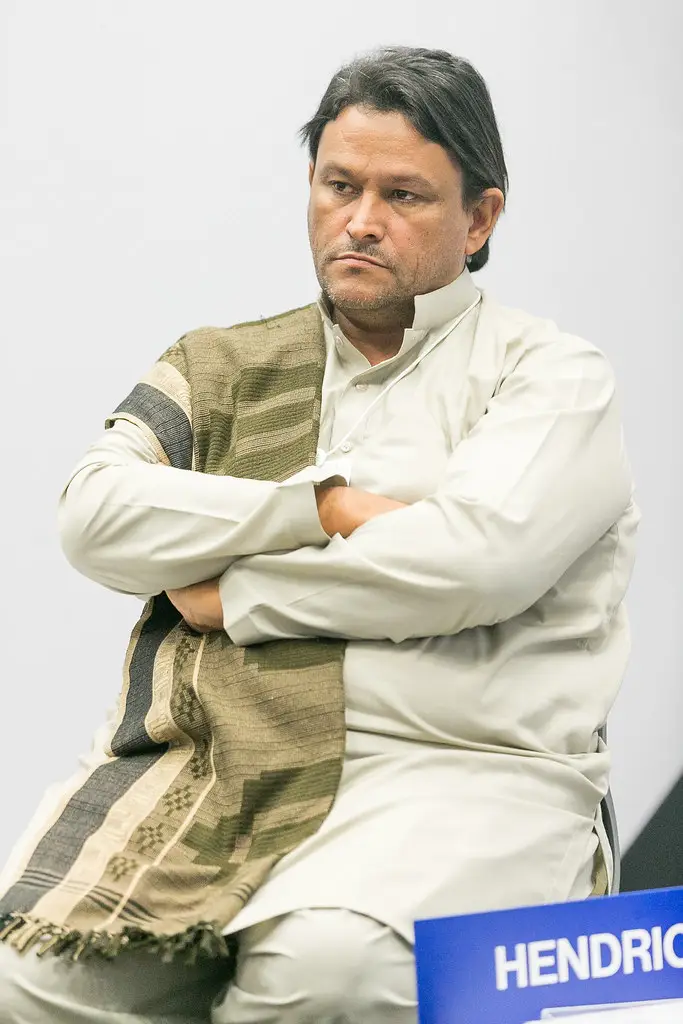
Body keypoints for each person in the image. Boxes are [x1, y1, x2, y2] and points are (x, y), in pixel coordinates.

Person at [0, 44, 638, 1024]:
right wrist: (321, 507)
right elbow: (95, 516)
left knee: (328, 977)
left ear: (479, 218)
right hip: (221, 763)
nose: (360, 220)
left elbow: (472, 561)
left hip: (459, 775)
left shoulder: (548, 376)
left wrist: (235, 595)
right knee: (29, 984)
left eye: (402, 195)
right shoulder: (222, 367)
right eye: (339, 186)